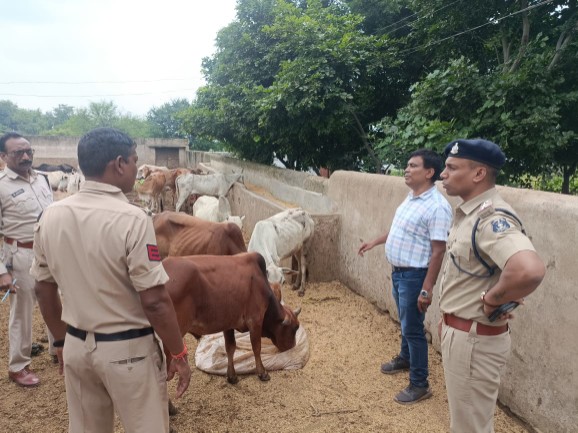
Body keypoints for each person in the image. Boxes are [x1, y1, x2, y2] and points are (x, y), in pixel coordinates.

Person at [31, 127, 191, 433]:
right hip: (128, 352)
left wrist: (61, 341)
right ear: (119, 164)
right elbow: (155, 301)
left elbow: (42, 288)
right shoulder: (132, 219)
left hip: (77, 346)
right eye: (134, 161)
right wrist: (178, 352)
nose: (137, 170)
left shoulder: (51, 215)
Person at [438, 138, 546, 433]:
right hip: (464, 334)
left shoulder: (490, 218)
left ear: (478, 174)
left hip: (474, 340)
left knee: (470, 428)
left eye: (451, 167)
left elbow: (529, 269)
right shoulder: (470, 213)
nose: (442, 174)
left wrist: (493, 299)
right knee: (467, 423)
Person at [358, 149, 452, 404]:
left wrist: (427, 288)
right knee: (406, 322)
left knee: (413, 329)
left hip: (414, 276)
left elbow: (438, 250)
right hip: (399, 274)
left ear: (429, 172)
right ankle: (406, 358)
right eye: (407, 165)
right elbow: (399, 231)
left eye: (413, 166)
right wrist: (375, 241)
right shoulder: (411, 197)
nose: (407, 169)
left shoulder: (437, 207)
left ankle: (420, 383)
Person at [0, 132, 56, 387]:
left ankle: (58, 348)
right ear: (3, 157)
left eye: (28, 152)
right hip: (20, 255)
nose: (25, 156)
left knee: (56, 299)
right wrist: (2, 272)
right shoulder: (1, 186)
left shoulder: (43, 180)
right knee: (21, 313)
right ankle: (18, 366)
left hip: (50, 251)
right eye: (17, 153)